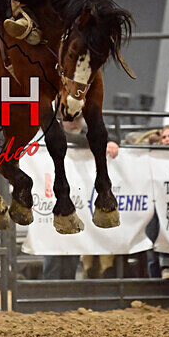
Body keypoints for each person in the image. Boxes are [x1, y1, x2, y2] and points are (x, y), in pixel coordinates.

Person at [43, 115, 118, 280]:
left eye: (76, 118)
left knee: (73, 248)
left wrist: (110, 141)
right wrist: (96, 142)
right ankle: (50, 288)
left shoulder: (84, 132)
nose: (72, 121)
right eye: (69, 118)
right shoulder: (54, 131)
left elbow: (109, 135)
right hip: (55, 195)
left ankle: (67, 287)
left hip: (78, 197)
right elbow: (70, 138)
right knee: (53, 248)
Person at [146, 126, 169, 280]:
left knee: (166, 221)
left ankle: (166, 266)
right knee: (151, 225)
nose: (167, 140)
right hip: (155, 202)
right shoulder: (153, 158)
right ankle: (155, 272)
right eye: (164, 137)